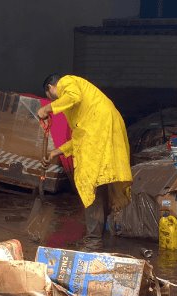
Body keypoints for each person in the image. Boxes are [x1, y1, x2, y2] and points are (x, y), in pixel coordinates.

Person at [37, 74, 132, 251]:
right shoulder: (82, 109)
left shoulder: (67, 82)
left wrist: (47, 109)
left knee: (89, 184)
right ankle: (96, 237)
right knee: (100, 183)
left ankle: (93, 241)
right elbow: (80, 137)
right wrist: (55, 152)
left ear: (51, 87)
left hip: (100, 132)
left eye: (50, 96)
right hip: (101, 132)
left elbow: (72, 97)